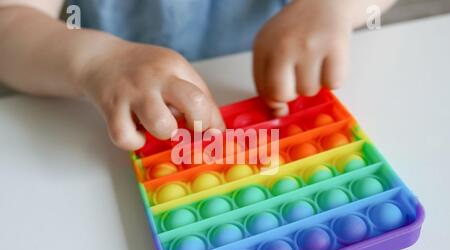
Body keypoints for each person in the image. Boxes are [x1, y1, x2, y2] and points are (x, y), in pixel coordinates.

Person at [0, 0, 396, 150]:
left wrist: (333, 7)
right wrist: (95, 62)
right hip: (104, 109)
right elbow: (9, 21)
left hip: (262, 80)